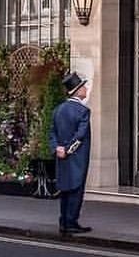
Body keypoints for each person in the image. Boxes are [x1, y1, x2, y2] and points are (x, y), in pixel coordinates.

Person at [49, 72, 92, 237]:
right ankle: (71, 222)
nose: (86, 89)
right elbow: (79, 136)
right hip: (76, 157)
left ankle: (63, 222)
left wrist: (57, 148)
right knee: (76, 190)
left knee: (65, 189)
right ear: (77, 90)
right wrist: (67, 150)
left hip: (61, 155)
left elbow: (51, 133)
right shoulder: (83, 111)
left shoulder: (57, 110)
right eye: (83, 86)